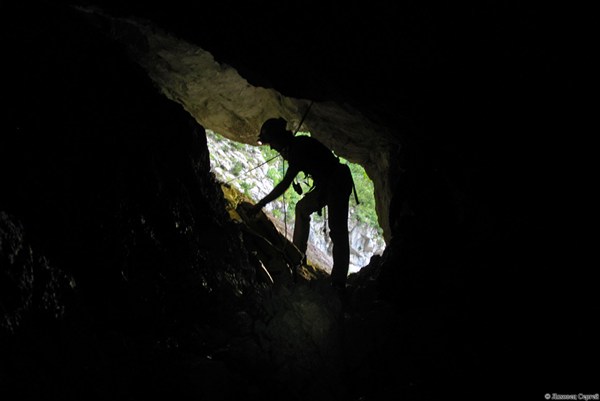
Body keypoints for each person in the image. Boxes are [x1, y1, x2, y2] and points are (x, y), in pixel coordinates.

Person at [250, 117, 353, 290]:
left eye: (271, 143)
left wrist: (260, 204)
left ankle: (339, 282)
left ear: (279, 139)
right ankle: (297, 255)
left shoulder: (298, 148)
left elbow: (284, 184)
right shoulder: (297, 147)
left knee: (338, 231)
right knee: (302, 208)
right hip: (327, 183)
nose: (272, 147)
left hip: (337, 182)